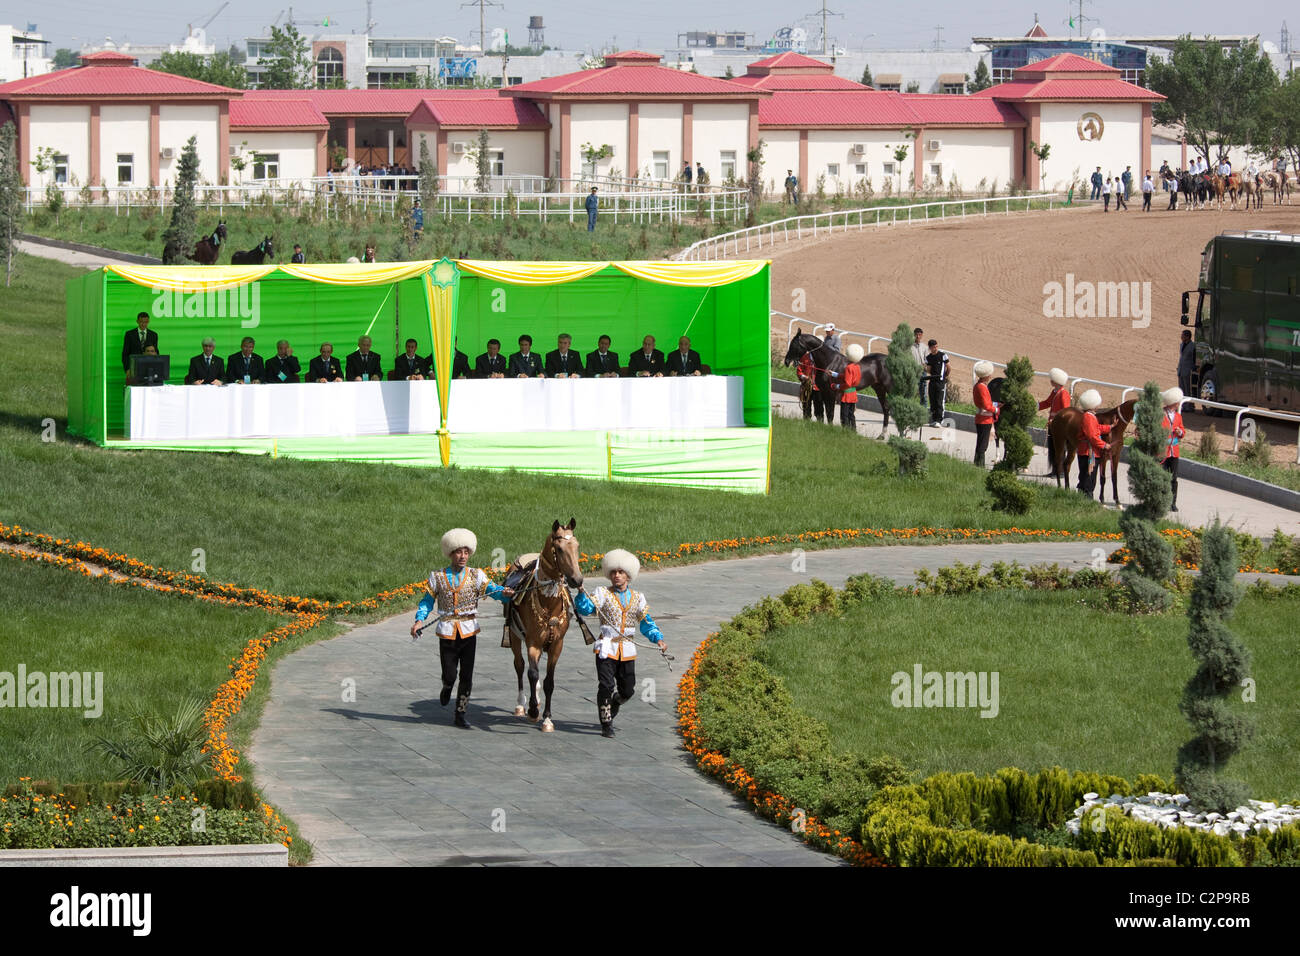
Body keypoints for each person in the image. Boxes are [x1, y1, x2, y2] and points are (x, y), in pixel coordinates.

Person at [410, 528, 514, 729]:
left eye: (466, 552)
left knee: (467, 675)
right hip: (447, 631)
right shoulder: (438, 577)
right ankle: (447, 685)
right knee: (450, 673)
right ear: (451, 553)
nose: (463, 556)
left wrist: (505, 593)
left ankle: (460, 713)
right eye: (459, 552)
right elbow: (427, 601)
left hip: (469, 631)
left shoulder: (477, 575)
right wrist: (419, 620)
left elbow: (492, 590)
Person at [573, 548, 666, 739]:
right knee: (606, 685)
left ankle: (616, 702)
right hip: (607, 648)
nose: (616, 576)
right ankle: (606, 723)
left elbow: (646, 622)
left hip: (628, 649)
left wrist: (658, 639)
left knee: (628, 690)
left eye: (621, 572)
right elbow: (585, 608)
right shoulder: (602, 593)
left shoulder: (638, 598)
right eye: (614, 572)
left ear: (628, 576)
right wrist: (581, 592)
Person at [1075, 389, 1110, 496]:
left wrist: (1110, 427)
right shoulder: (1088, 417)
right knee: (1089, 478)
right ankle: (1086, 498)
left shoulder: (1089, 416)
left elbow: (1096, 428)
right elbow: (1092, 436)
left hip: (1087, 451)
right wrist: (1104, 445)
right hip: (1088, 452)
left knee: (1087, 477)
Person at [1038, 367, 1071, 475]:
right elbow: (1047, 403)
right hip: (1053, 425)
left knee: (1059, 448)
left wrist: (1055, 420)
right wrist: (1035, 406)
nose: (1050, 381)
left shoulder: (1063, 394)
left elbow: (1065, 411)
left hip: (1059, 427)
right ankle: (1054, 470)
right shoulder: (1055, 392)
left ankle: (1060, 471)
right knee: (1053, 448)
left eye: (1052, 379)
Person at [1159, 387, 1186, 512]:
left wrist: (1180, 432)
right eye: (1177, 402)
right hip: (1162, 451)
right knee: (1163, 478)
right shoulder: (1160, 415)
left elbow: (1182, 431)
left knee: (1173, 478)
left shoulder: (1178, 416)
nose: (1178, 404)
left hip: (1174, 452)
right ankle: (1161, 502)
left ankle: (1172, 503)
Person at [972, 360, 999, 467]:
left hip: (981, 418)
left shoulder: (979, 385)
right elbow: (986, 405)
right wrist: (996, 409)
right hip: (984, 419)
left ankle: (977, 463)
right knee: (983, 445)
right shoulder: (982, 387)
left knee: (981, 443)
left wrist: (995, 405)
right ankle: (980, 465)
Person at [834, 343, 864, 430]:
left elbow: (847, 383)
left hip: (846, 395)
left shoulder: (848, 368)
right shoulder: (857, 366)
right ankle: (853, 429)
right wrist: (835, 374)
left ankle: (845, 431)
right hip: (853, 394)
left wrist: (838, 386)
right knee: (851, 414)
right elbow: (849, 378)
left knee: (844, 415)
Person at [923, 338, 949, 425]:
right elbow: (929, 370)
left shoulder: (943, 355)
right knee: (933, 400)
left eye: (936, 346)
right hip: (932, 381)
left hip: (940, 382)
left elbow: (948, 367)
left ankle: (939, 420)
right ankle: (934, 420)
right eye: (934, 347)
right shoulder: (928, 358)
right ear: (930, 348)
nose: (936, 348)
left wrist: (945, 376)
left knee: (939, 401)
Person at [910, 327, 926, 403]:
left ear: (922, 335)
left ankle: (923, 410)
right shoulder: (909, 346)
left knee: (923, 393)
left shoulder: (924, 347)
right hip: (913, 371)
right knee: (911, 391)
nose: (918, 336)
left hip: (922, 371)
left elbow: (927, 358)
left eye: (919, 335)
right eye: (916, 335)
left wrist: (925, 366)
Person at [1177, 329, 1195, 398]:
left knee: (1188, 390)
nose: (1181, 337)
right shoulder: (1181, 344)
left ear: (1187, 337)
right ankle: (1183, 405)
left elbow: (1194, 359)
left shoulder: (1193, 346)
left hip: (1188, 371)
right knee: (1181, 389)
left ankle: (1189, 406)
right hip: (1181, 370)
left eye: (1182, 335)